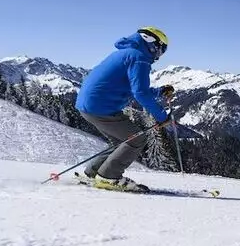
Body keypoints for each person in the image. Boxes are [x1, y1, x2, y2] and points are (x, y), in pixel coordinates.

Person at [75, 27, 176, 191]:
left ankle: (93, 174)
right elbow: (140, 92)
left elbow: (132, 87)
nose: (160, 54)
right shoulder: (139, 58)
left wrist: (159, 92)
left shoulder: (129, 53)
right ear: (151, 42)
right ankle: (108, 177)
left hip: (91, 105)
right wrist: (162, 116)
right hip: (101, 106)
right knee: (136, 138)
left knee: (121, 141)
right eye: (161, 48)